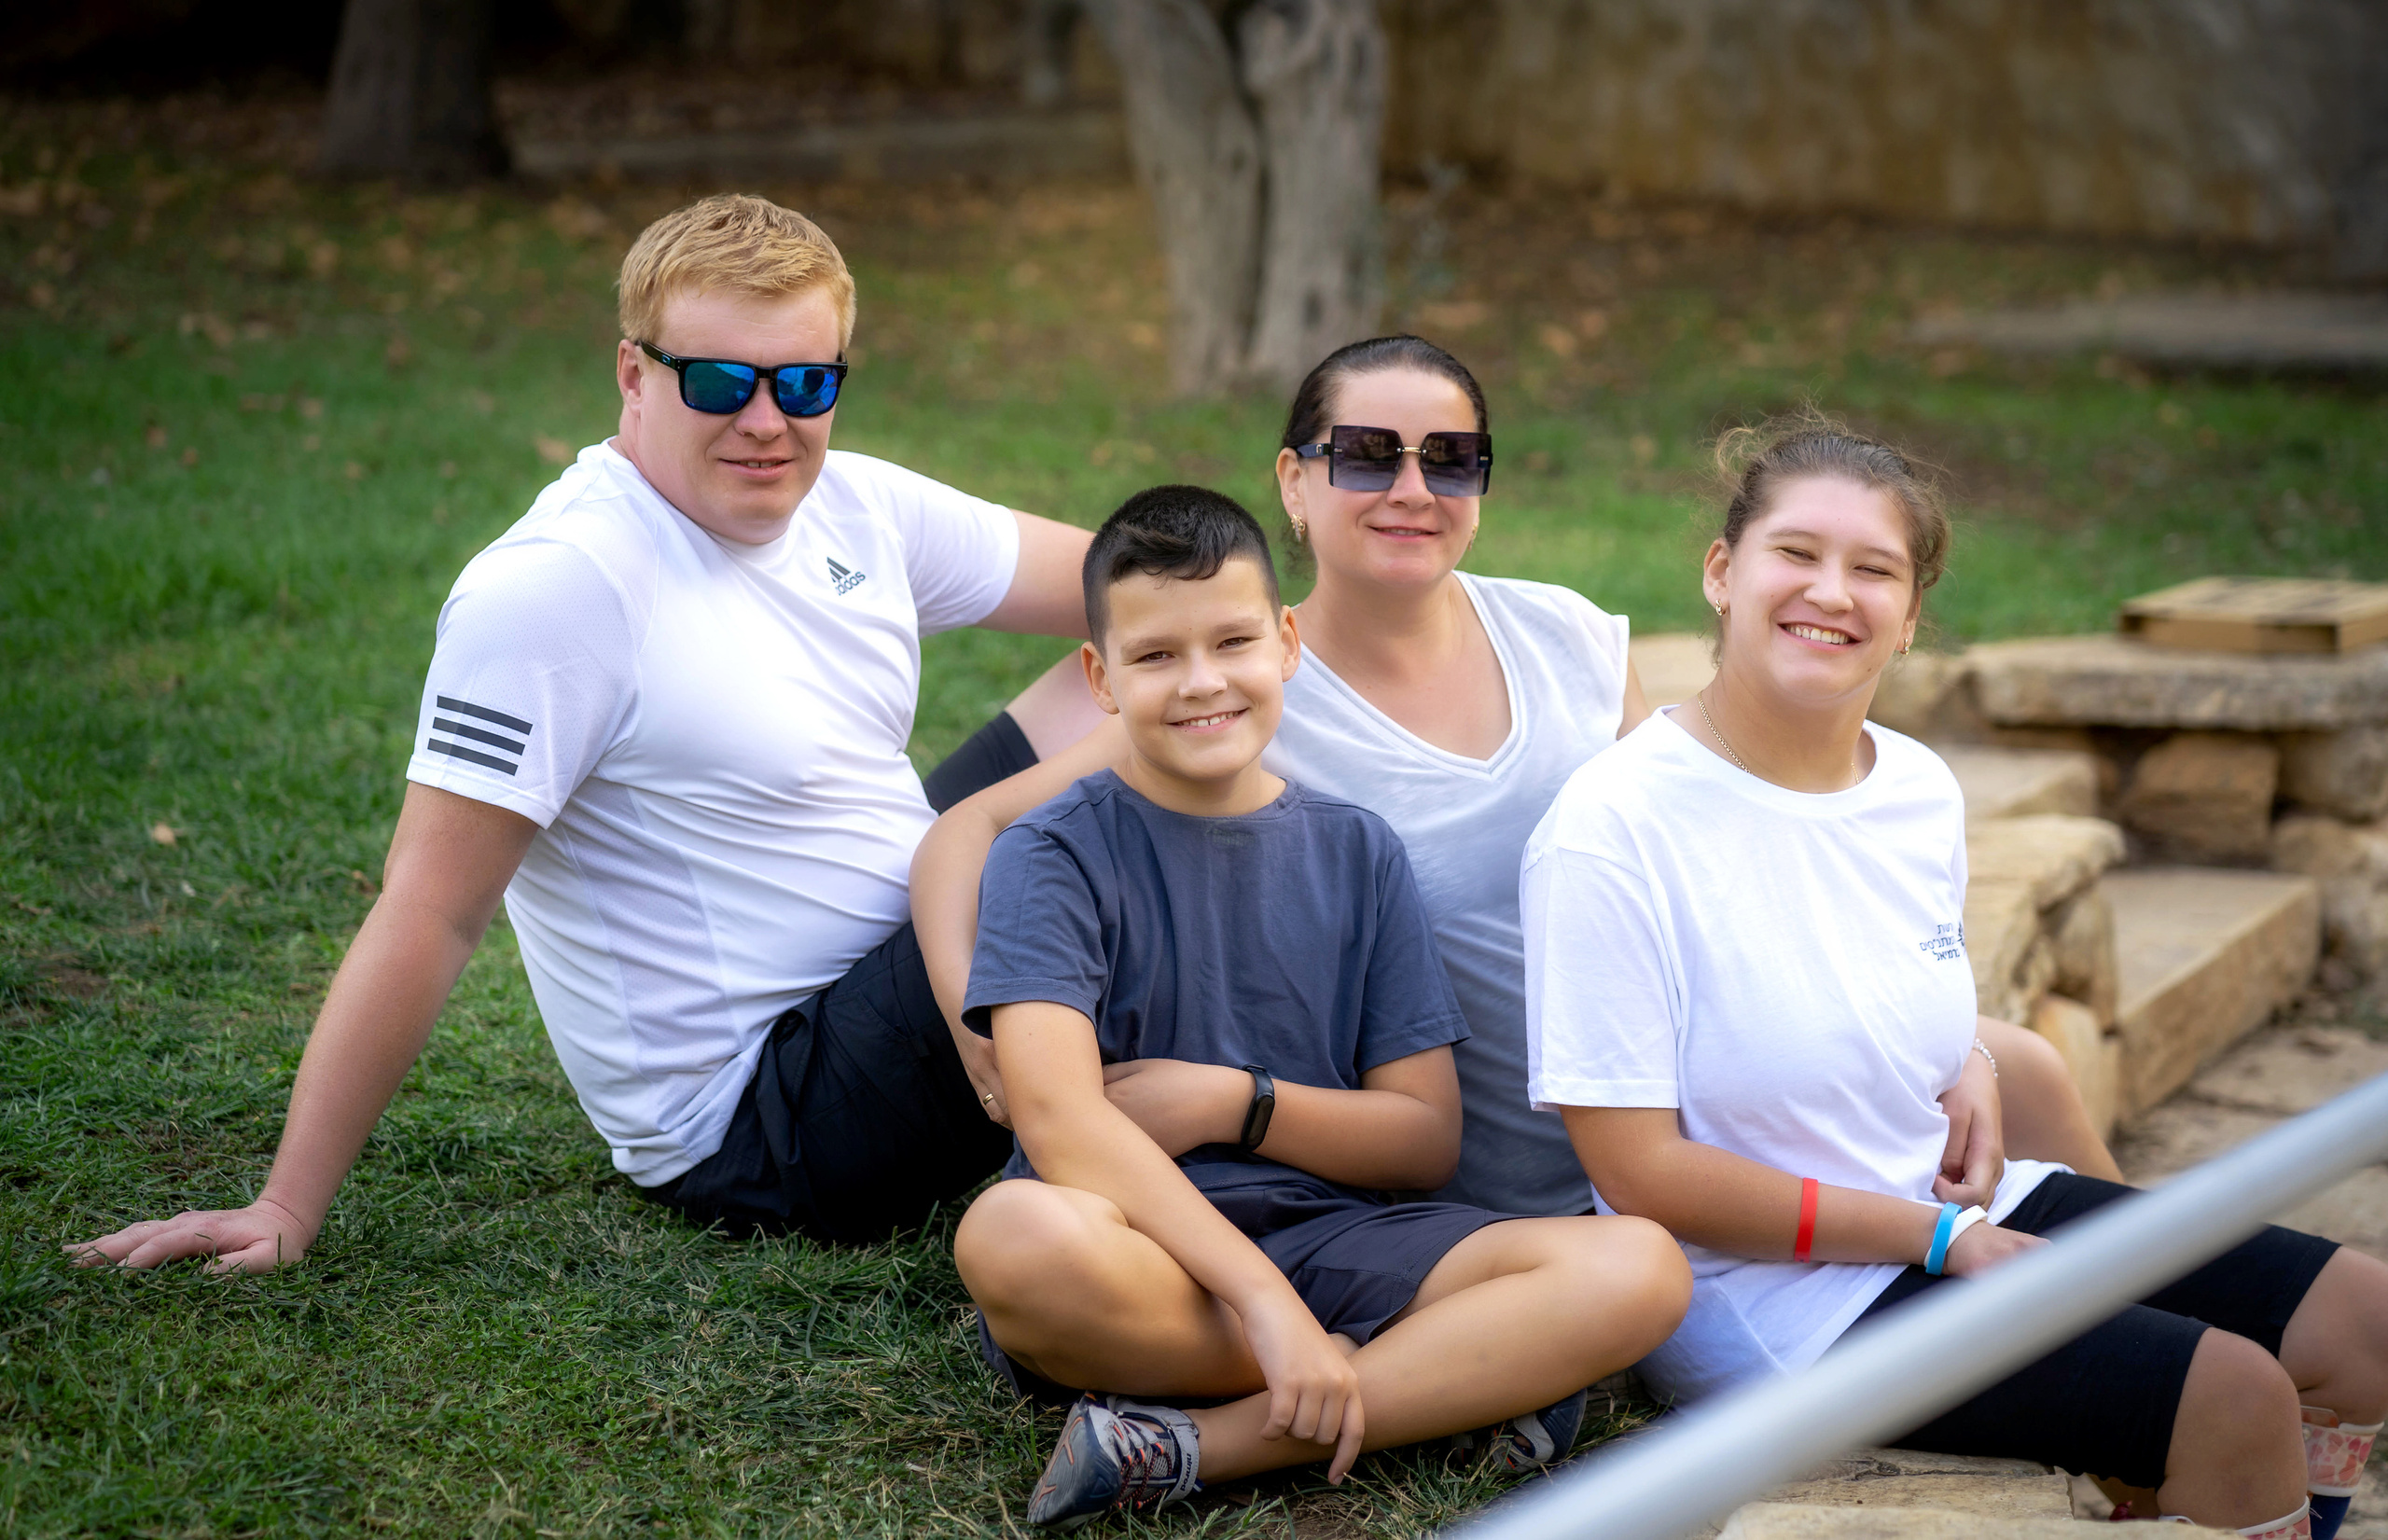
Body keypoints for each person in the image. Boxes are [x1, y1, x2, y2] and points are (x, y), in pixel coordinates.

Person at [66, 193, 1106, 1272]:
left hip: (898, 951)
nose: (766, 420)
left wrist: (1247, 628)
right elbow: (430, 908)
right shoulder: (559, 591)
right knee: (1153, 785)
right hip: (773, 1109)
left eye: (805, 383)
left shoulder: (854, 504)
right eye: (716, 381)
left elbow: (1134, 589)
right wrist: (284, 1206)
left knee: (1163, 667)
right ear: (632, 375)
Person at [914, 335, 2116, 1231]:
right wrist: (993, 1041)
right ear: (1292, 481)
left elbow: (1725, 840)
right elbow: (966, 831)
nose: (1411, 488)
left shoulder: (1567, 634)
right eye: (1366, 457)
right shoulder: (1242, 689)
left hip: (1695, 1052)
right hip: (1501, 1150)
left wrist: (1940, 1034)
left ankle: (2213, 1405)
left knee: (2027, 1069)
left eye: (1451, 459)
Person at [1527, 417, 2388, 1540]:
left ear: (1911, 617)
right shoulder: (1612, 829)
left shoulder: (1917, 787)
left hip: (1946, 1210)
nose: (1830, 592)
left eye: (1873, 569)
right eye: (1796, 553)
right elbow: (1637, 1172)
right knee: (2232, 1398)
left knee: (2362, 1321)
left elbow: (1891, 991)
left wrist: (1970, 1056)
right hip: (1778, 1298)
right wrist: (1934, 1241)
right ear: (1721, 572)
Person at [947, 484, 1690, 1527]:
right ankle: (1436, 1387)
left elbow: (1422, 1140)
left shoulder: (1357, 851)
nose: (1201, 682)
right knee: (1011, 1237)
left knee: (1640, 1269)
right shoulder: (1051, 854)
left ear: (1286, 642)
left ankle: (1200, 1443)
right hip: (1139, 1249)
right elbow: (1060, 1119)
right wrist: (1263, 1301)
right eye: (1156, 656)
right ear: (1098, 677)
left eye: (1233, 642)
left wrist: (1236, 1102)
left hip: (1340, 1238)